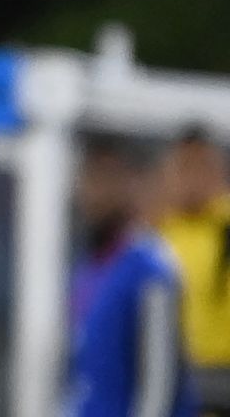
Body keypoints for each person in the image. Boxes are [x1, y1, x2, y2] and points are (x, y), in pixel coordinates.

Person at [68, 135, 196, 417]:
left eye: (105, 178)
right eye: (89, 177)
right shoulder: (88, 268)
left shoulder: (151, 269)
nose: (93, 192)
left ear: (129, 183)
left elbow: (160, 385)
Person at [159, 126, 230, 414]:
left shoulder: (224, 228)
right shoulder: (159, 235)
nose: (190, 180)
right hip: (172, 375)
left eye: (199, 167)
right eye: (183, 168)